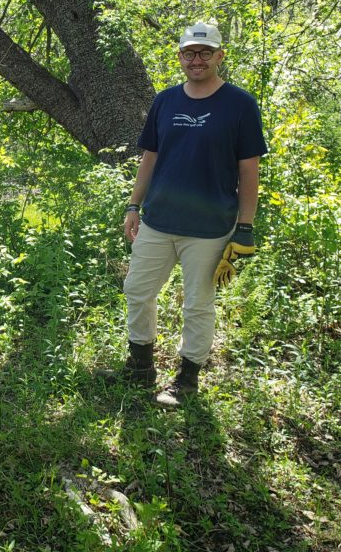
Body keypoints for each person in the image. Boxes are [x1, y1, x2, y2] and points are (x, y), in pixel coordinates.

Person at [105, 22, 267, 408]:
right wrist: (133, 205)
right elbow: (150, 157)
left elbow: (249, 170)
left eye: (205, 53)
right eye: (189, 53)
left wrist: (244, 227)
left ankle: (187, 379)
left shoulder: (240, 104)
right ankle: (141, 367)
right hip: (158, 220)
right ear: (180, 57)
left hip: (209, 228)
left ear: (219, 56)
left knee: (197, 303)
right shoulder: (165, 101)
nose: (197, 60)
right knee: (137, 291)